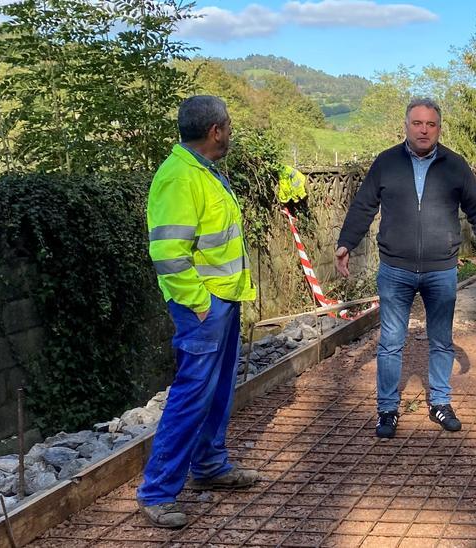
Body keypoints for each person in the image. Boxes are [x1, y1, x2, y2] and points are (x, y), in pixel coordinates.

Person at [335, 97, 476, 439]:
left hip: (442, 269)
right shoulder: (386, 163)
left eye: (431, 124)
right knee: (391, 342)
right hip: (396, 268)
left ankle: (440, 402)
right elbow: (364, 205)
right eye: (417, 123)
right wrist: (346, 243)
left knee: (441, 340)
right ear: (406, 126)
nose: (424, 130)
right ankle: (388, 410)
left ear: (439, 128)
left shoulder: (455, 165)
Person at [140, 95, 260, 528]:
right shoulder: (179, 177)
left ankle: (209, 465)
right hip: (203, 306)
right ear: (216, 131)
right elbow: (169, 254)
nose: (230, 131)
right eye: (227, 125)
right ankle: (157, 491)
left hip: (221, 299)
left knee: (217, 389)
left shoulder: (203, 171)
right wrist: (200, 304)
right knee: (191, 394)